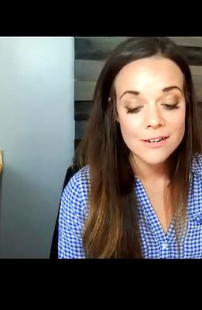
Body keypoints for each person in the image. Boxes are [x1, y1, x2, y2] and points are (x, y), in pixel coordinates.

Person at [58, 37, 202, 258]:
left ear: (187, 104)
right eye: (134, 107)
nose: (154, 120)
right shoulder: (82, 193)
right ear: (115, 112)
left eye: (169, 103)